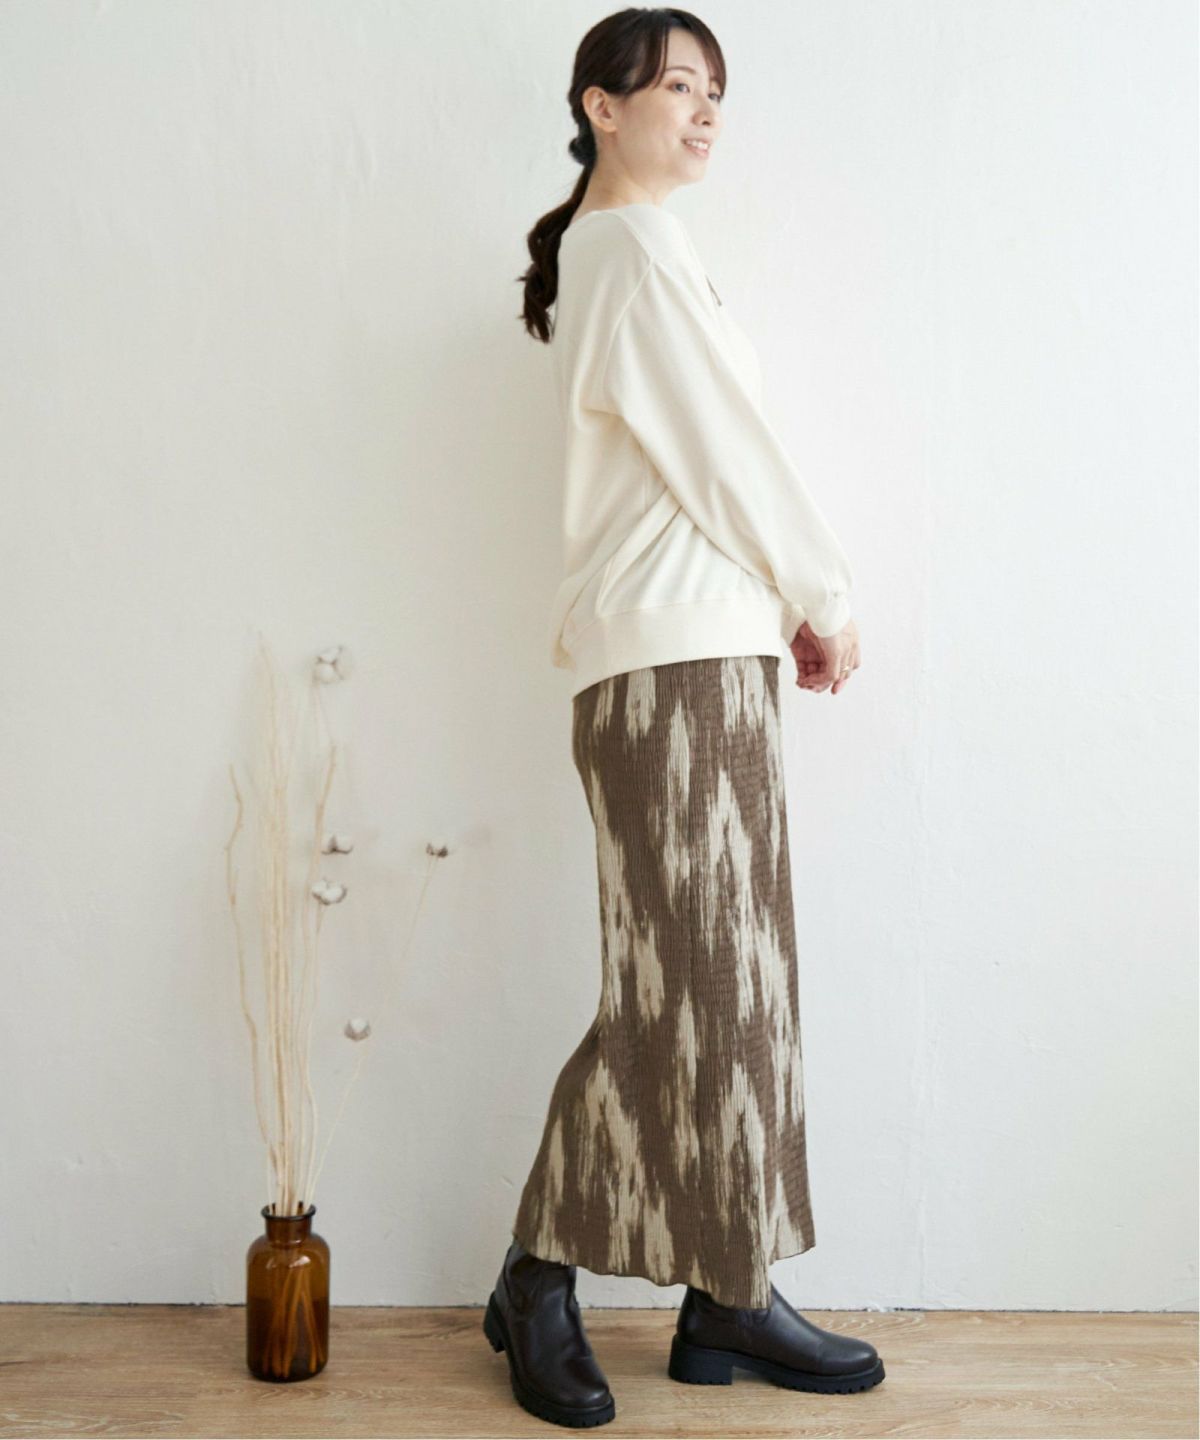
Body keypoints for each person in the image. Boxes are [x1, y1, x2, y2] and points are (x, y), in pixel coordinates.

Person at [483, 9, 884, 1428]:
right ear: (601, 106)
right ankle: (537, 1270)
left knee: (739, 988)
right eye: (676, 86)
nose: (706, 111)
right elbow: (730, 456)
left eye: (718, 91)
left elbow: (703, 470)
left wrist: (778, 610)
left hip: (706, 654)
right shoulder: (628, 251)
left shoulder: (645, 254)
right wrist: (823, 590)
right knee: (682, 990)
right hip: (667, 668)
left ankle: (727, 1290)